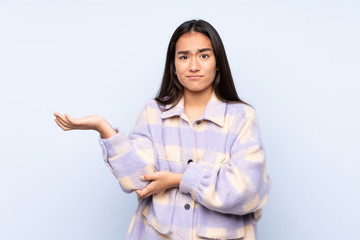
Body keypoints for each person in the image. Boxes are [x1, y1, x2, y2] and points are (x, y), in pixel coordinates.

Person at [54, 19, 271, 240]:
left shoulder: (241, 117)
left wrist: (179, 179)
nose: (193, 66)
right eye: (184, 57)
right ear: (173, 66)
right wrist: (104, 128)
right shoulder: (152, 114)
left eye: (204, 55)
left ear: (218, 63)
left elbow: (248, 190)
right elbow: (139, 181)